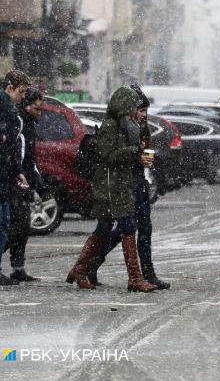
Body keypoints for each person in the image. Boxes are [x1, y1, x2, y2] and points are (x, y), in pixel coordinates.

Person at [66, 86, 157, 292]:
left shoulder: (128, 125)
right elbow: (109, 156)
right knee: (123, 226)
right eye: (133, 107)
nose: (137, 111)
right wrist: (135, 152)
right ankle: (134, 278)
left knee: (109, 227)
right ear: (124, 106)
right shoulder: (111, 125)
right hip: (109, 184)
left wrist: (139, 154)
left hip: (120, 183)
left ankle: (80, 269)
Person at [86, 84, 169, 289]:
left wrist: (144, 158)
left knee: (142, 227)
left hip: (138, 181)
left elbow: (143, 150)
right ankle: (93, 265)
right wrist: (136, 156)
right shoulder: (120, 125)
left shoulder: (139, 126)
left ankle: (146, 273)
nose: (143, 114)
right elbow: (113, 155)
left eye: (145, 111)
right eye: (140, 110)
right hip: (124, 182)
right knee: (122, 228)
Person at [0, 70, 30, 285]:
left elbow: (12, 147)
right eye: (21, 91)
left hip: (3, 175)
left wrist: (17, 171)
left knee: (4, 224)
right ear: (10, 88)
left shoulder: (12, 111)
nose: (23, 96)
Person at [3, 88, 46, 282]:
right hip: (14, 181)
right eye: (37, 108)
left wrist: (36, 181)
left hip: (23, 182)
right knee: (14, 225)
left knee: (21, 226)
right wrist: (18, 175)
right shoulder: (19, 122)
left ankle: (17, 267)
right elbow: (16, 154)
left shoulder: (29, 124)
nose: (40, 112)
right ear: (27, 106)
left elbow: (30, 158)